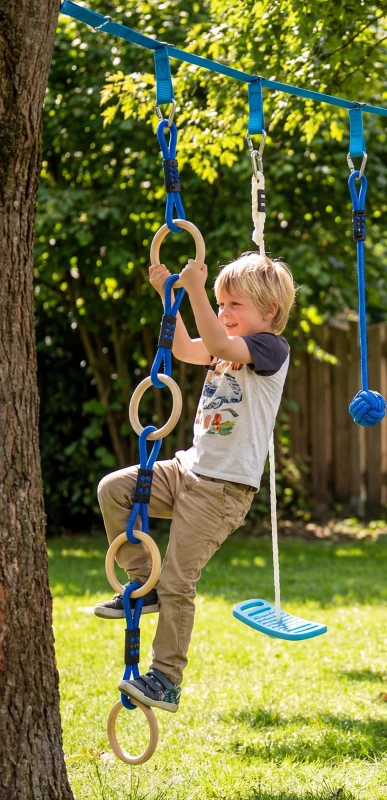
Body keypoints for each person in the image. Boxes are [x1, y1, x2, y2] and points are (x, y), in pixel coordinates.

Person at [95, 252, 295, 711]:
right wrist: (169, 296)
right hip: (187, 470)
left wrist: (199, 292)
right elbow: (188, 348)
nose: (223, 314)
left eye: (233, 306)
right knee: (115, 489)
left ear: (269, 311)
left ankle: (165, 679)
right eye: (221, 305)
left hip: (222, 491)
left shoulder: (268, 349)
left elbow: (221, 347)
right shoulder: (224, 341)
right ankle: (142, 585)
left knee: (180, 580)